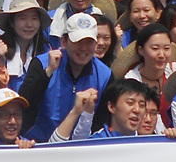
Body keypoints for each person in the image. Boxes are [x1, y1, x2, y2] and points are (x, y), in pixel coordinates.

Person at [19, 12, 112, 142]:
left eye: (89, 42)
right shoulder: (42, 63)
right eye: (78, 42)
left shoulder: (105, 74)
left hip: (79, 148)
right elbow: (24, 102)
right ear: (64, 41)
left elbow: (102, 119)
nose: (83, 48)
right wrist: (48, 72)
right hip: (36, 144)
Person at [0, 0, 53, 91]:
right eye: (22, 18)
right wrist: (0, 62)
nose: (29, 25)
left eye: (34, 18)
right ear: (12, 22)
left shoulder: (46, 49)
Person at [124, 23, 176, 106]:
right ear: (141, 50)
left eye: (166, 48)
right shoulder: (131, 81)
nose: (161, 55)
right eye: (155, 48)